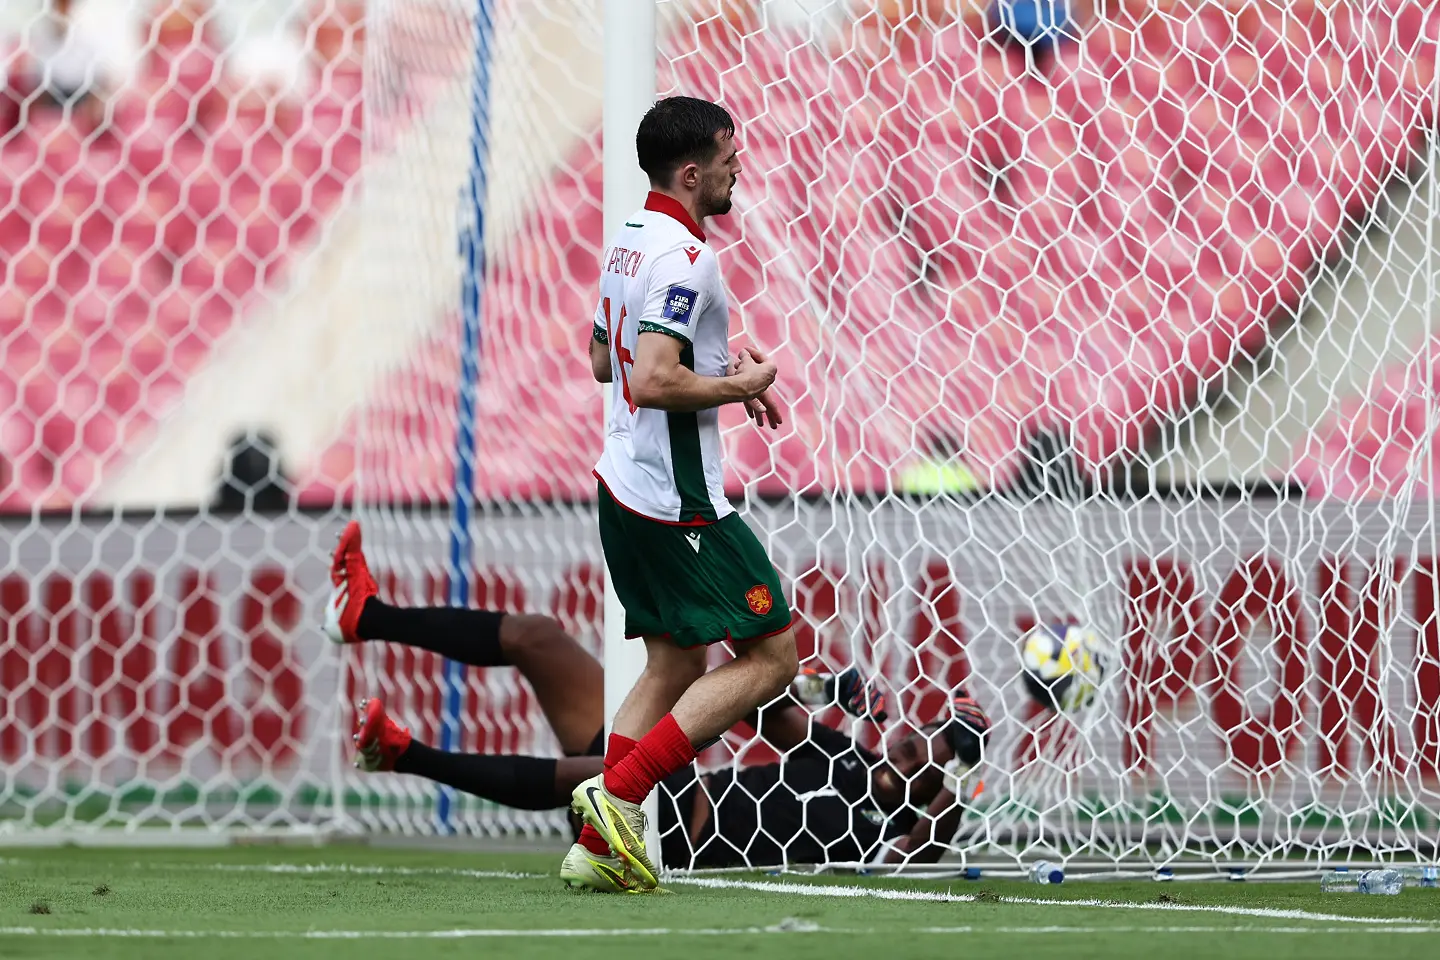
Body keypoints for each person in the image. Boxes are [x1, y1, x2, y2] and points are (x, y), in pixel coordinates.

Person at [326, 522, 992, 889]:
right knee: (540, 638)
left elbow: (916, 857)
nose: (928, 739)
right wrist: (818, 689)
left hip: (681, 832)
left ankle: (408, 753)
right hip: (673, 776)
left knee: (590, 780)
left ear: (945, 782)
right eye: (936, 727)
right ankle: (369, 614)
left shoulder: (885, 836)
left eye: (949, 747)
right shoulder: (845, 755)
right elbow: (753, 700)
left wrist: (954, 798)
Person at [573, 95, 800, 891]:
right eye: (730, 157)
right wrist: (741, 380)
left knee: (672, 665)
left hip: (620, 482)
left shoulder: (631, 241)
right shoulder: (687, 259)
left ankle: (599, 853)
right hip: (679, 503)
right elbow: (652, 377)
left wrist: (721, 372)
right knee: (773, 653)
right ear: (693, 170)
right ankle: (619, 798)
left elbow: (606, 361)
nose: (741, 167)